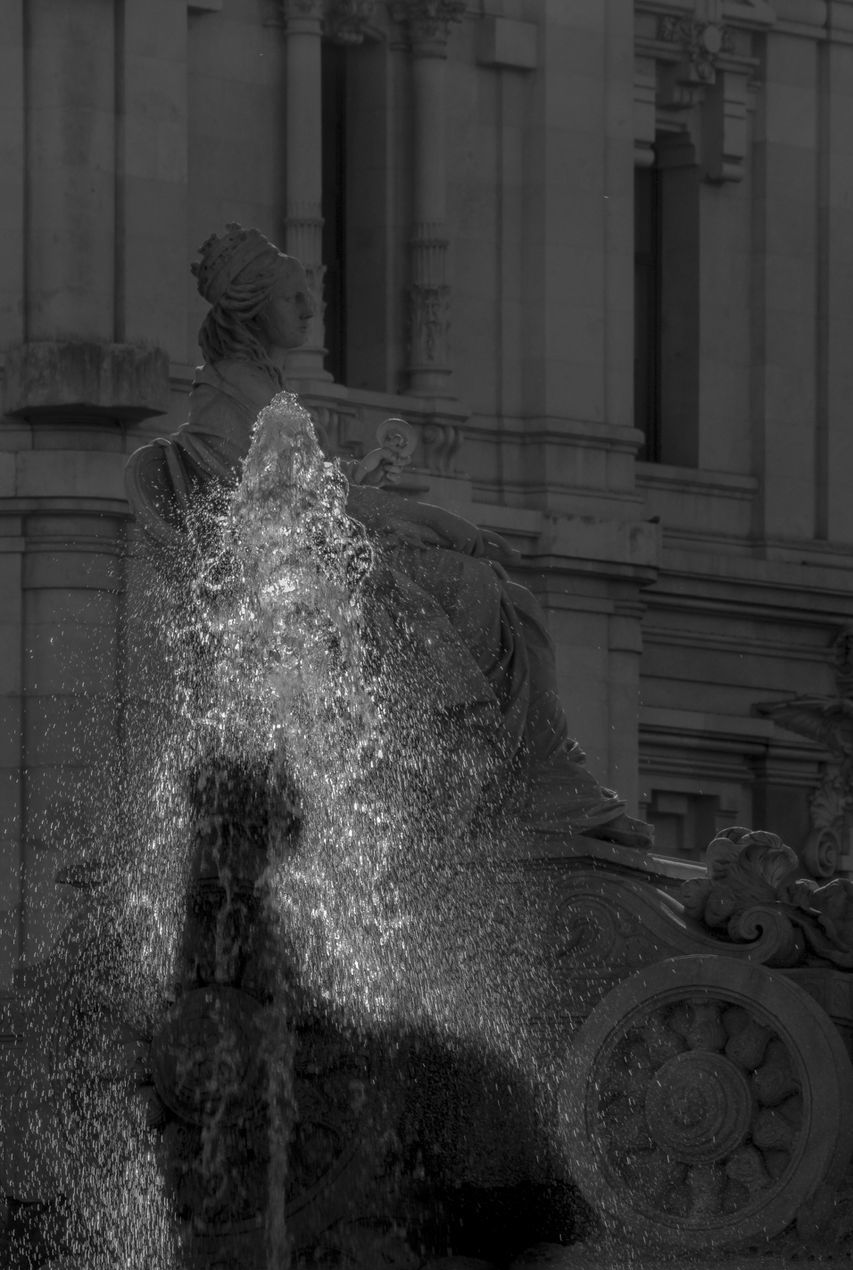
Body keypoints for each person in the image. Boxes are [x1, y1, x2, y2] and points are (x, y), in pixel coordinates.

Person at [125, 225, 651, 848]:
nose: (310, 308)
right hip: (307, 598)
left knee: (517, 608)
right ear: (251, 305)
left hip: (326, 577)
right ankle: (515, 779)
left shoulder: (258, 390)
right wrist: (442, 523)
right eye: (294, 297)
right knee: (479, 587)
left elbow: (302, 495)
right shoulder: (225, 398)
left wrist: (355, 476)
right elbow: (281, 513)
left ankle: (541, 780)